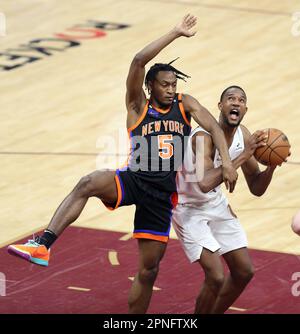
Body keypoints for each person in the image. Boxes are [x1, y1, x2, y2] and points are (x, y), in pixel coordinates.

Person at [7, 15, 238, 314]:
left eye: (173, 84)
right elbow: (139, 59)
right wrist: (176, 32)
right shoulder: (137, 105)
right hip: (133, 180)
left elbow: (215, 128)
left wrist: (229, 163)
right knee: (88, 182)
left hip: (161, 196)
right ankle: (43, 244)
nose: (170, 89)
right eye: (164, 84)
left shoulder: (186, 103)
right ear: (150, 87)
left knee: (148, 270)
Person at [172, 85, 285, 314]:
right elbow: (204, 184)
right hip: (187, 207)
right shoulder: (203, 137)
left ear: (245, 109)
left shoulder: (243, 135)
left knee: (244, 271)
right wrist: (244, 156)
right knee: (215, 276)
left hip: (215, 204)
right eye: (230, 99)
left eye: (241, 100)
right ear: (220, 106)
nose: (236, 103)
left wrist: (271, 167)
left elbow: (256, 187)